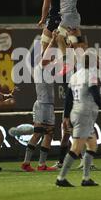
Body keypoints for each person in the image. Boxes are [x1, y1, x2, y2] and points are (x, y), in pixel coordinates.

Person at [56, 52, 101, 187]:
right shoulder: (91, 75)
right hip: (84, 114)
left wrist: (66, 116)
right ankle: (61, 178)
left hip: (78, 113)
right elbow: (95, 96)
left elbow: (68, 99)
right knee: (76, 148)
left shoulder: (74, 76)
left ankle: (86, 178)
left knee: (92, 145)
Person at [20, 31, 59, 172]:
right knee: (38, 134)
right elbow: (46, 57)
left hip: (46, 105)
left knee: (49, 133)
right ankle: (26, 162)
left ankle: (41, 164)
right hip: (43, 105)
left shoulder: (45, 69)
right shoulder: (40, 67)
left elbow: (56, 61)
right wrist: (53, 39)